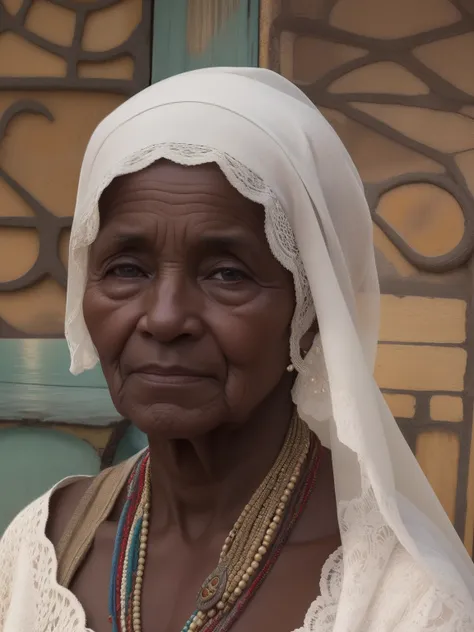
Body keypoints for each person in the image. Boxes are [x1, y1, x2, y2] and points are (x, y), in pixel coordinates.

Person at [0, 67, 473, 632]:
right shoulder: (41, 548)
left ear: (309, 317)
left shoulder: (404, 603)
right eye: (126, 269)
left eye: (227, 274)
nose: (166, 317)